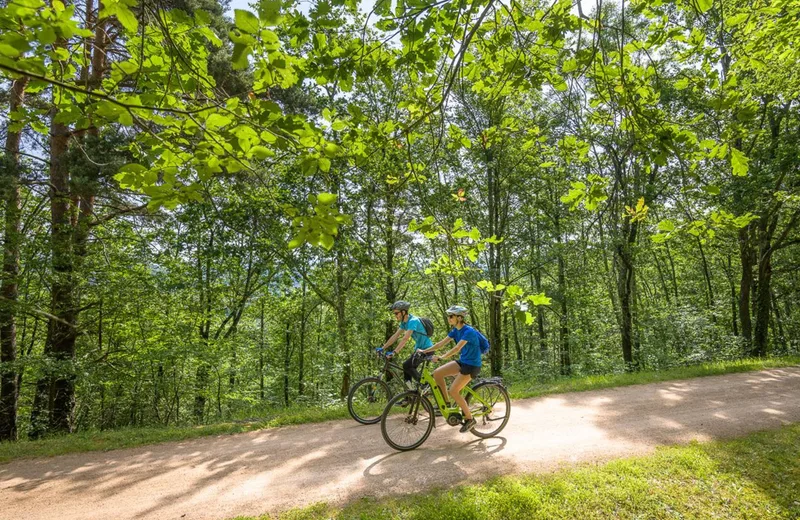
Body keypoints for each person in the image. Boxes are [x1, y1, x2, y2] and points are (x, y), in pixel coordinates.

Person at [421, 305, 481, 433]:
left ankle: (470, 419)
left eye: (451, 316)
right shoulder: (455, 330)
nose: (449, 318)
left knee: (453, 391)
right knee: (437, 373)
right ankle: (446, 404)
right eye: (448, 316)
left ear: (459, 317)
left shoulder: (468, 331)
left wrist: (442, 357)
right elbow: (440, 344)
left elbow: (456, 349)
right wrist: (424, 351)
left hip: (472, 365)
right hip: (463, 362)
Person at [381, 300, 433, 389]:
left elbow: (405, 338)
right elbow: (395, 336)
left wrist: (394, 352)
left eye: (396, 313)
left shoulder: (413, 321)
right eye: (394, 314)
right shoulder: (404, 323)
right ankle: (409, 395)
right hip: (418, 350)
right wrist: (383, 348)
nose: (395, 316)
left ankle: (425, 385)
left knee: (407, 366)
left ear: (403, 312)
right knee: (406, 368)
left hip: (427, 350)